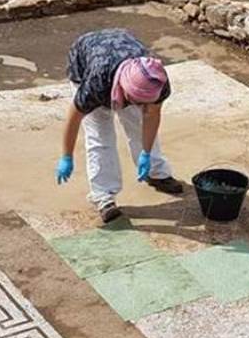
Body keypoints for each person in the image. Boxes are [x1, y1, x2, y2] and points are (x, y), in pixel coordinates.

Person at [55, 28, 183, 223]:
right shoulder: (96, 84)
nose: (142, 106)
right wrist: (66, 156)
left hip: (123, 57)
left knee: (139, 122)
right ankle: (103, 196)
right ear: (124, 90)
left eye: (145, 102)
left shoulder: (156, 79)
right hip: (86, 61)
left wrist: (146, 154)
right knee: (100, 136)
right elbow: (74, 118)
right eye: (137, 101)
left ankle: (156, 172)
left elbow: (152, 115)